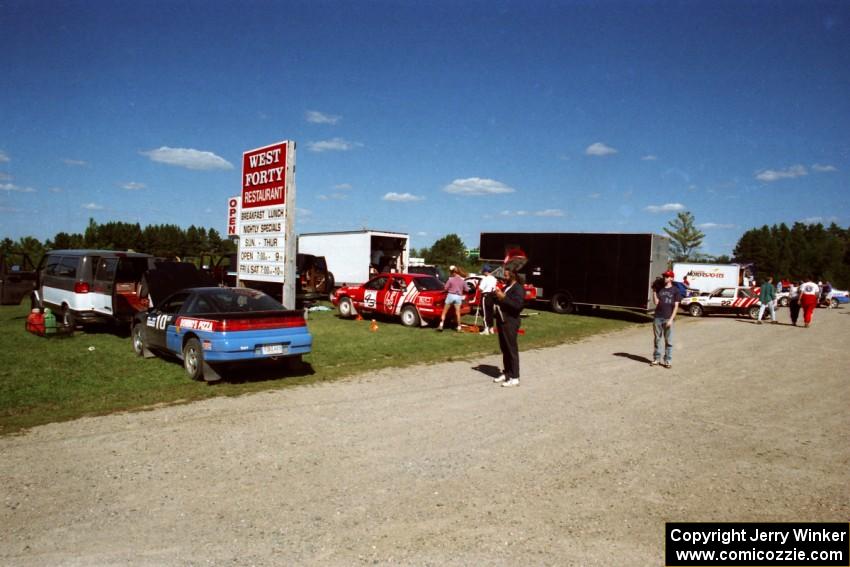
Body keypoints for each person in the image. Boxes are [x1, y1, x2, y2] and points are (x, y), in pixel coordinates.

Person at [492, 267, 525, 387]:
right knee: (504, 349)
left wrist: (504, 297)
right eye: (504, 275)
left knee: (511, 349)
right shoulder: (506, 287)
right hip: (502, 320)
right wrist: (496, 295)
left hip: (511, 321)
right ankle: (507, 373)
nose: (504, 278)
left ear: (513, 276)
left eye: (506, 276)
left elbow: (518, 306)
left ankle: (515, 377)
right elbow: (501, 300)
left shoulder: (519, 288)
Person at [651, 270, 681, 369]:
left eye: (667, 276)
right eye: (664, 276)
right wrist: (654, 291)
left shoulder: (675, 290)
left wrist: (671, 319)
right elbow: (656, 302)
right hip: (657, 318)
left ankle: (668, 360)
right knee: (657, 339)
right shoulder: (661, 289)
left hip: (668, 318)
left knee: (669, 341)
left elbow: (676, 306)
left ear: (672, 278)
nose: (665, 278)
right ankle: (656, 359)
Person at [437, 265, 466, 332]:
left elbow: (445, 288)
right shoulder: (462, 280)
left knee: (444, 312)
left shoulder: (450, 280)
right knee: (458, 313)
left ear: (452, 272)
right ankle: (459, 328)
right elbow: (466, 289)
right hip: (458, 297)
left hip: (450, 296)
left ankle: (441, 325)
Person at [477, 264, 498, 335]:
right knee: (490, 313)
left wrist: (478, 285)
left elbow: (480, 289)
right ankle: (491, 328)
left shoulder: (485, 279)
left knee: (485, 313)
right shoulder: (494, 279)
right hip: (492, 296)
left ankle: (486, 329)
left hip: (485, 296)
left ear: (486, 271)